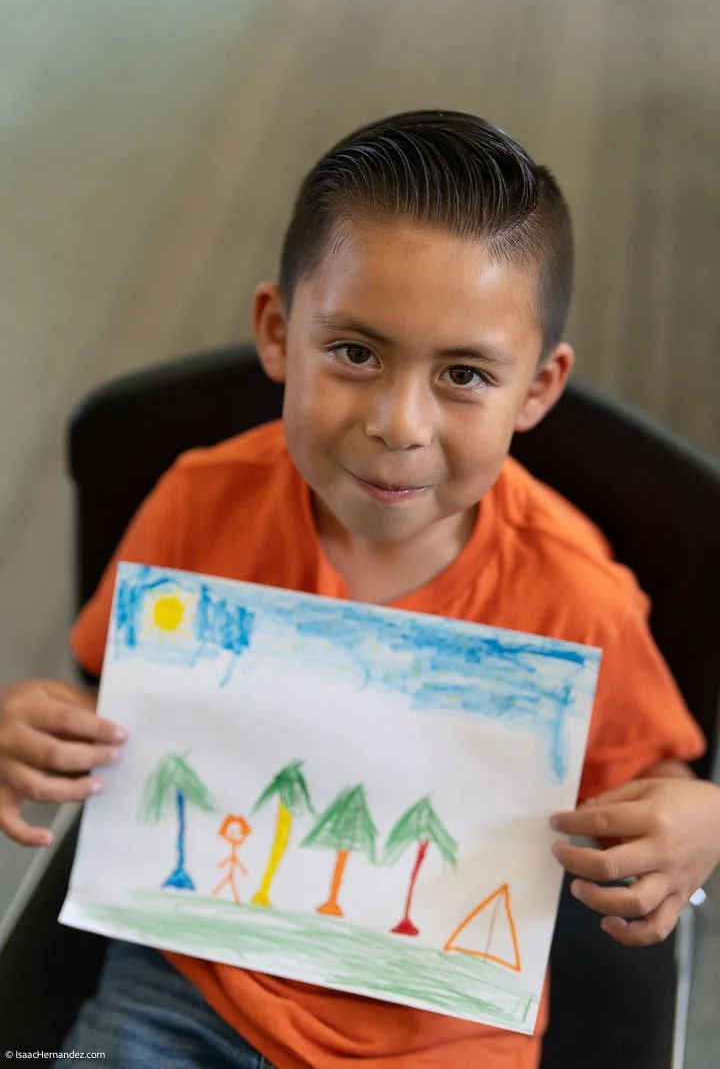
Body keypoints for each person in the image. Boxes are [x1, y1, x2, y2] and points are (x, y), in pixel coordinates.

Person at [1, 110, 718, 1069]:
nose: (397, 423)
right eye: (354, 353)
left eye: (464, 374)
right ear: (276, 331)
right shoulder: (197, 505)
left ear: (538, 389)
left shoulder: (576, 596)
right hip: (189, 979)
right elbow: (116, 700)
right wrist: (43, 725)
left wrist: (693, 820)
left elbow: (655, 780)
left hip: (442, 1030)